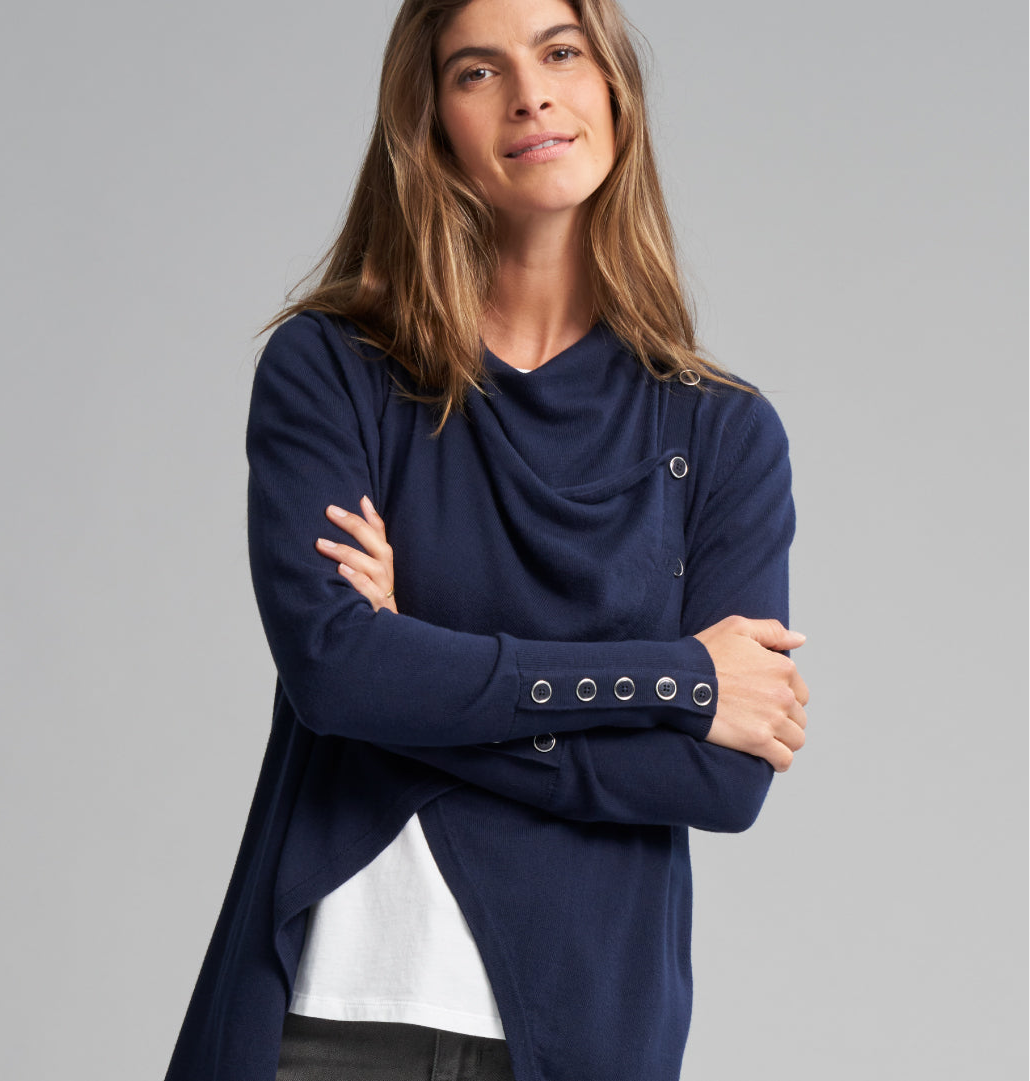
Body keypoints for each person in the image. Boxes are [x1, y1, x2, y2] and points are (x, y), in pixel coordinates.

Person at [164, 0, 809, 1078]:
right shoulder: (333, 372)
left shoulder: (722, 433)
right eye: (477, 70)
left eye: (561, 51)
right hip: (328, 1018)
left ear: (613, 87)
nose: (531, 94)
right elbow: (337, 676)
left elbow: (722, 785)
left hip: (580, 1029)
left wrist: (415, 661)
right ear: (432, 122)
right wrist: (679, 677)